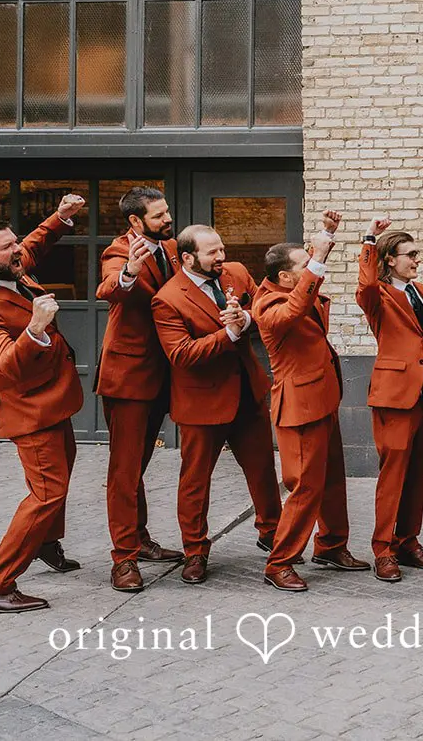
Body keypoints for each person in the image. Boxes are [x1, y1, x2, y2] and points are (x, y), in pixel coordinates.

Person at [0, 195, 86, 613]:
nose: (17, 251)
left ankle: (46, 542)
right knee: (46, 494)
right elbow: (4, 365)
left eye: (15, 243)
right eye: (6, 246)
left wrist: (60, 217)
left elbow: (32, 244)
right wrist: (35, 326)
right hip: (30, 410)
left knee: (61, 476)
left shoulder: (8, 268)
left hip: (55, 397)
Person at [151, 225, 283, 586]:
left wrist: (248, 319)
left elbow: (262, 303)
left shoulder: (237, 273)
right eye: (213, 253)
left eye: (222, 249)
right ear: (188, 258)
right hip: (202, 402)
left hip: (247, 393)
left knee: (263, 470)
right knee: (195, 481)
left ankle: (273, 533)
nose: (221, 257)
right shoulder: (168, 299)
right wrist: (229, 334)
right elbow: (181, 354)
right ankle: (195, 550)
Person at [255, 213, 371, 591]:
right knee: (304, 486)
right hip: (299, 406)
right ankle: (280, 562)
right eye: (304, 267)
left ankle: (331, 545)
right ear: (286, 277)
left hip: (323, 397)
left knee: (332, 478)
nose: (312, 271)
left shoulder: (290, 288)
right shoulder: (270, 307)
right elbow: (295, 311)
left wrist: (327, 234)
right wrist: (318, 255)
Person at [357, 218, 423, 583]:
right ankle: (382, 549)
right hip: (393, 395)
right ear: (389, 259)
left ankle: (408, 541)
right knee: (393, 475)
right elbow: (367, 282)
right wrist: (370, 240)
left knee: (418, 473)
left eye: (417, 254)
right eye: (410, 254)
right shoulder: (377, 295)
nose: (417, 260)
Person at [95, 186, 184, 592]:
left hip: (164, 376)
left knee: (139, 467)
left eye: (167, 212)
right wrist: (129, 271)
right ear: (134, 221)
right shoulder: (119, 251)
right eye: (158, 216)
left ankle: (141, 539)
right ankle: (123, 559)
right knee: (124, 471)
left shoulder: (170, 248)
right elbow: (110, 287)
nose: (167, 220)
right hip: (129, 378)